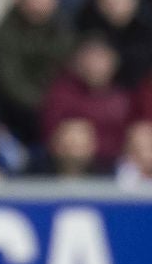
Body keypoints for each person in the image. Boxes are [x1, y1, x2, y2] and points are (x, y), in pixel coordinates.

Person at [0, 0, 77, 144]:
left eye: (43, 0)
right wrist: (43, 104)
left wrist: (55, 103)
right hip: (16, 111)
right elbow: (9, 80)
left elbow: (65, 69)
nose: (37, 6)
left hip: (56, 107)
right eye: (33, 0)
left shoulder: (64, 28)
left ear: (54, 1)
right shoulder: (6, 30)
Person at [40, 37, 133, 170]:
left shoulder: (121, 97)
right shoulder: (62, 92)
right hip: (72, 162)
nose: (95, 66)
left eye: (101, 59)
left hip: (116, 163)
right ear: (78, 62)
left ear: (113, 63)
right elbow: (51, 132)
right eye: (90, 59)